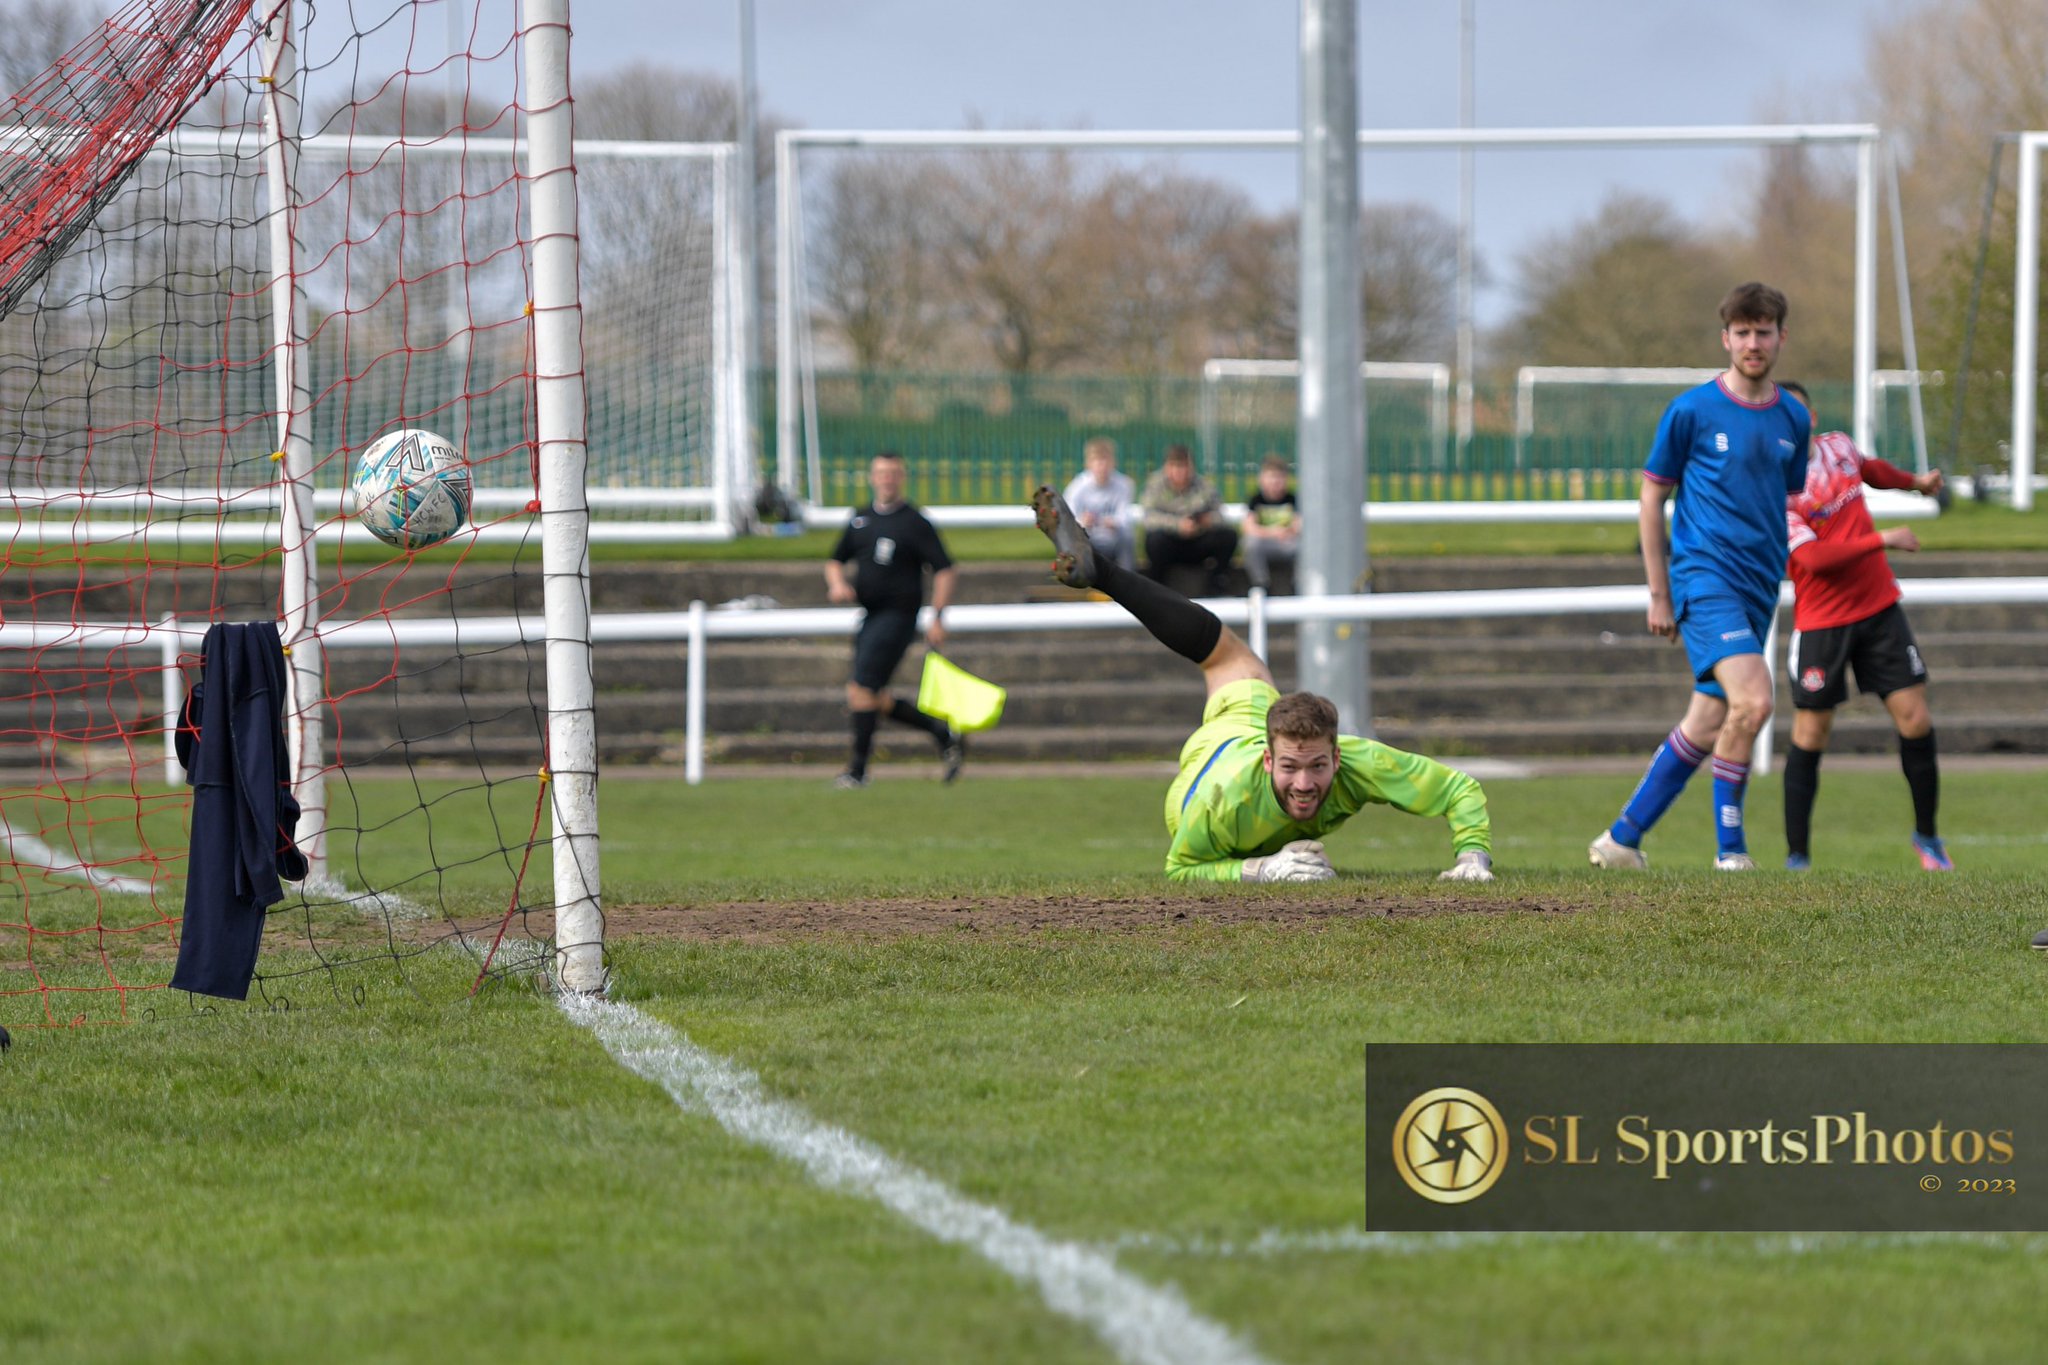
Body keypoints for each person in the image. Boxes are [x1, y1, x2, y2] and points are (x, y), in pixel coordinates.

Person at [1031, 484, 1494, 883]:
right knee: (1224, 656)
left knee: (1228, 656)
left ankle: (1105, 571)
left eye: (1317, 766)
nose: (1305, 783)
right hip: (1213, 759)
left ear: (1337, 756)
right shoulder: (1220, 802)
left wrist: (1473, 858)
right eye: (1291, 767)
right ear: (1269, 760)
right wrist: (1261, 869)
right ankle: (1106, 573)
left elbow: (1458, 789)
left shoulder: (1357, 762)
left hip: (1250, 715)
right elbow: (1182, 868)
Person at [1588, 281, 1811, 872]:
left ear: (1781, 337)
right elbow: (1650, 499)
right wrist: (1659, 592)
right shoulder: (1690, 410)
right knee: (1756, 701)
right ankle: (1731, 853)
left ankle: (1621, 839)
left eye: (1764, 331)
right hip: (1703, 580)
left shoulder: (1793, 417)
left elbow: (1784, 505)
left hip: (1758, 588)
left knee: (1710, 718)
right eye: (1743, 332)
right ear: (1726, 338)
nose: (1753, 342)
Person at [1776, 381, 1951, 871]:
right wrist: (1882, 539)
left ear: (1809, 418)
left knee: (1915, 719)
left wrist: (1914, 482)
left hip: (1878, 609)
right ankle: (1798, 858)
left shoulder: (1838, 447)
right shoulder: (1778, 488)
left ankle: (1928, 840)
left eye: (1795, 414)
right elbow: (1812, 558)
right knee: (1812, 733)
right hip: (1823, 622)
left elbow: (1869, 469)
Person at [825, 451, 965, 788]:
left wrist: (937, 617)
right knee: (871, 694)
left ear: (901, 478)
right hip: (869, 616)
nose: (887, 479)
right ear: (872, 477)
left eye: (893, 473)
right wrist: (838, 583)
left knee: (860, 689)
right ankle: (941, 732)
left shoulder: (914, 522)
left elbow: (945, 569)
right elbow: (834, 560)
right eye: (881, 473)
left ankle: (857, 772)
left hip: (899, 616)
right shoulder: (860, 518)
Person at [1140, 444, 1238, 593]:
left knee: (1228, 537)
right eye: (1175, 466)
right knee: (1154, 540)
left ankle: (1216, 583)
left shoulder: (1204, 485)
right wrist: (1177, 525)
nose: (1180, 472)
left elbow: (1220, 515)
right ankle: (1158, 584)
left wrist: (1206, 521)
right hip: (1170, 542)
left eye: (1184, 466)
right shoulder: (1155, 485)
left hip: (1198, 541)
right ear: (1167, 467)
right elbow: (1149, 517)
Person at [1060, 436, 1137, 572]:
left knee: (1128, 536)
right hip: (1089, 540)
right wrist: (1082, 522)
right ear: (1088, 463)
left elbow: (1124, 518)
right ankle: (1079, 576)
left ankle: (1129, 577)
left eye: (1106, 460)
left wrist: (1114, 522)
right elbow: (1068, 518)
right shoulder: (1077, 487)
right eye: (1097, 461)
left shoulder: (1124, 485)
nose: (1102, 466)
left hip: (1113, 539)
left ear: (1113, 462)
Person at [1241, 454, 1302, 592]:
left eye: (1279, 477)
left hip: (1287, 543)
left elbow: (1298, 523)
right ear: (1262, 479)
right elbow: (1248, 527)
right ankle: (1261, 584)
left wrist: (1288, 531)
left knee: (1304, 548)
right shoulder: (1255, 500)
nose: (1275, 482)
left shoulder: (1292, 499)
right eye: (1271, 477)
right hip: (1265, 543)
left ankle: (1298, 584)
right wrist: (1273, 532)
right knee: (1250, 544)